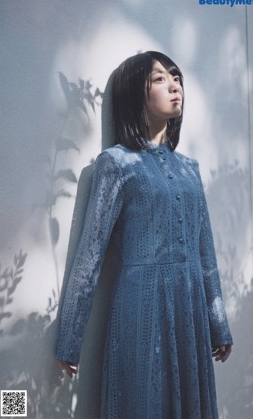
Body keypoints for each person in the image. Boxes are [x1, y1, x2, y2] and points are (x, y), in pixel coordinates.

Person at [56, 51, 233, 419]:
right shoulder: (116, 164)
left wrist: (218, 323)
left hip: (190, 307)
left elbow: (206, 252)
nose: (174, 84)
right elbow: (91, 255)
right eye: (159, 79)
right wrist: (69, 340)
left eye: (176, 77)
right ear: (135, 95)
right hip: (141, 303)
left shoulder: (190, 168)